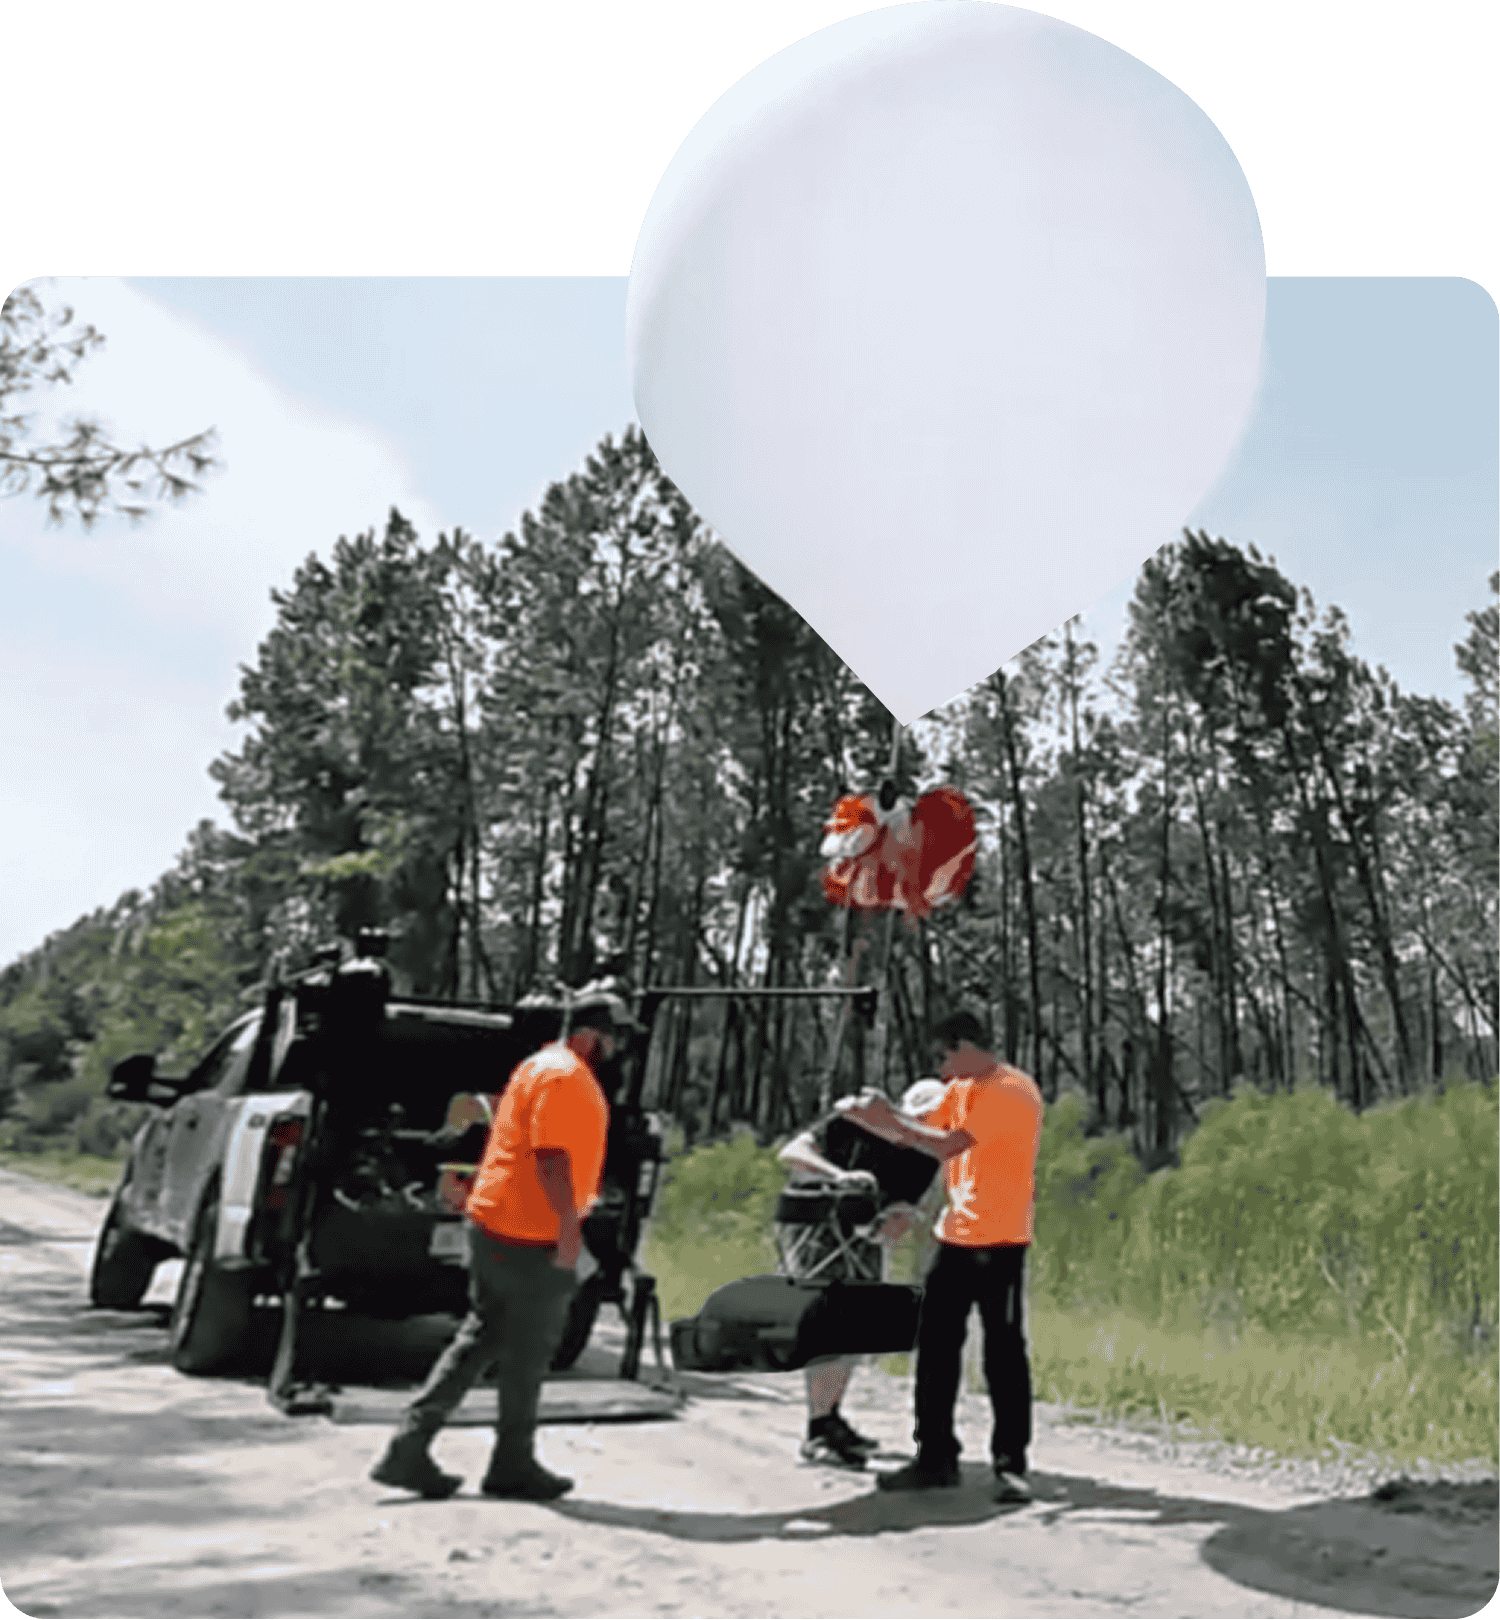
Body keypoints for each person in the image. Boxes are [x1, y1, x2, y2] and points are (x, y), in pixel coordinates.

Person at [369, 990, 638, 1501]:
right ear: (590, 1032)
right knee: (528, 1351)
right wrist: (568, 1233)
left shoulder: (539, 1066)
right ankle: (509, 1463)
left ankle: (411, 1444)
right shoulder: (563, 1076)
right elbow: (551, 1157)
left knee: (482, 1337)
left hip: (497, 1221)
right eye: (616, 1035)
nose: (621, 1047)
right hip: (529, 1231)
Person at [837, 1008, 1043, 1504]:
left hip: (1002, 1240)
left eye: (942, 1056)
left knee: (1003, 1352)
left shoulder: (1011, 1090)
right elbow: (920, 1131)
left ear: (965, 1047)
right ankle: (935, 1457)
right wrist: (875, 1117)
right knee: (935, 1349)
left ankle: (1011, 1465)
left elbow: (948, 1145)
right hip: (956, 1237)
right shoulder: (961, 1091)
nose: (940, 1068)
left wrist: (895, 1125)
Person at [774, 1076, 950, 1470]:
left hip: (860, 1239)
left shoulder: (925, 1157)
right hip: (816, 1225)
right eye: (925, 1118)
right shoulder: (856, 1122)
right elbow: (793, 1153)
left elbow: (902, 1211)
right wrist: (838, 1176)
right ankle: (818, 1429)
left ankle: (829, 1418)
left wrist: (891, 1223)